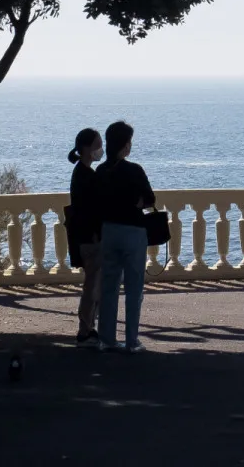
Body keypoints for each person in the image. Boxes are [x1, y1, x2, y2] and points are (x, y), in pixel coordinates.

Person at [94, 120, 156, 351]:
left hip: (109, 231)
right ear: (125, 145)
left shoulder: (101, 171)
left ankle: (107, 339)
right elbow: (150, 199)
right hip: (133, 232)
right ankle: (132, 340)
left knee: (109, 286)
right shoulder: (134, 170)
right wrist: (137, 202)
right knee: (134, 288)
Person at [66, 127, 105, 344]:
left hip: (86, 236)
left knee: (94, 284)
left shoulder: (81, 172)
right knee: (92, 286)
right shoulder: (86, 175)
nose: (101, 150)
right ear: (87, 148)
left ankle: (89, 327)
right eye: (98, 145)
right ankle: (85, 329)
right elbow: (91, 209)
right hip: (90, 238)